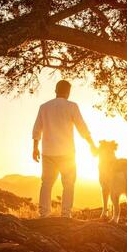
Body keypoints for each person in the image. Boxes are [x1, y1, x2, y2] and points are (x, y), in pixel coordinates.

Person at [32, 80, 96, 218]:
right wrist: (91, 144)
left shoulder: (44, 107)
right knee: (68, 184)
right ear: (68, 92)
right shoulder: (72, 106)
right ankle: (66, 214)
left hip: (48, 152)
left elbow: (37, 128)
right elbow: (82, 127)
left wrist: (35, 148)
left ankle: (44, 214)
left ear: (55, 90)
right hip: (67, 153)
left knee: (46, 183)